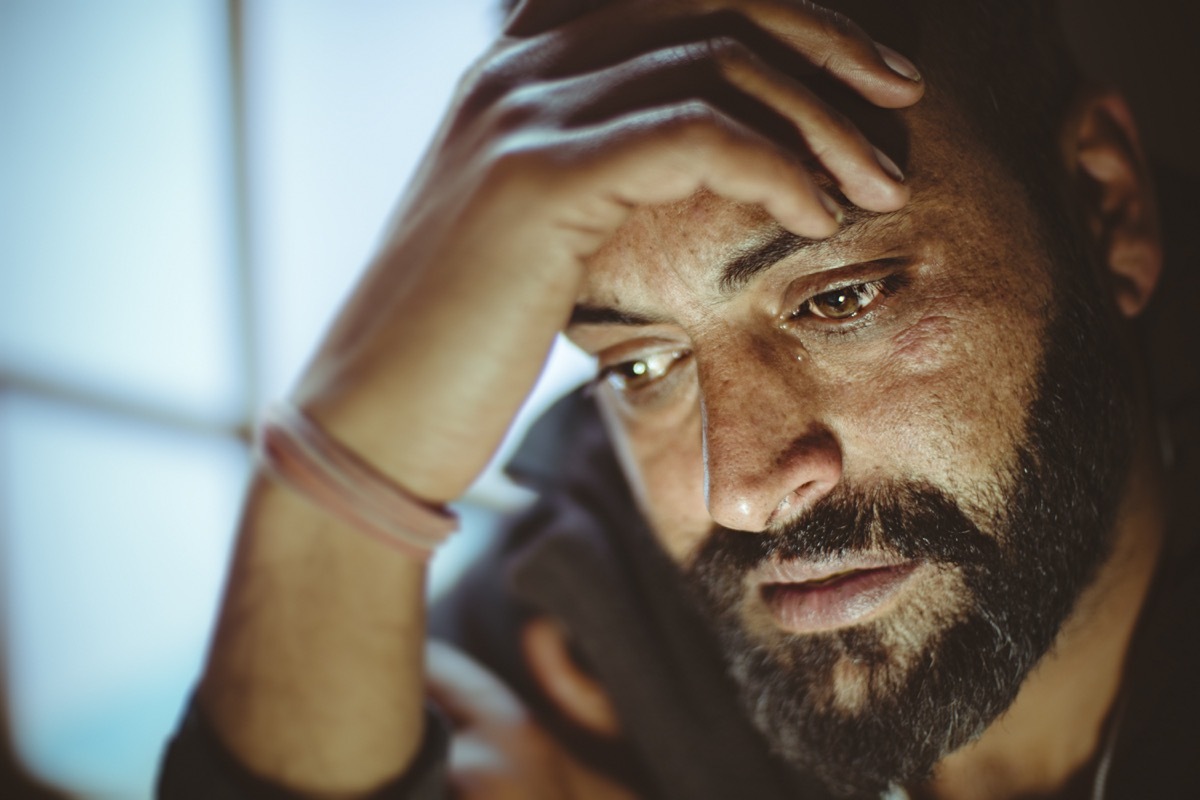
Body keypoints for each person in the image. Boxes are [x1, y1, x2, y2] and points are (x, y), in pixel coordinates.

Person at [159, 0, 1200, 797]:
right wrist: (347, 455)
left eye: (840, 298)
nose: (739, 489)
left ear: (1105, 210)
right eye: (640, 366)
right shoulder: (593, 611)